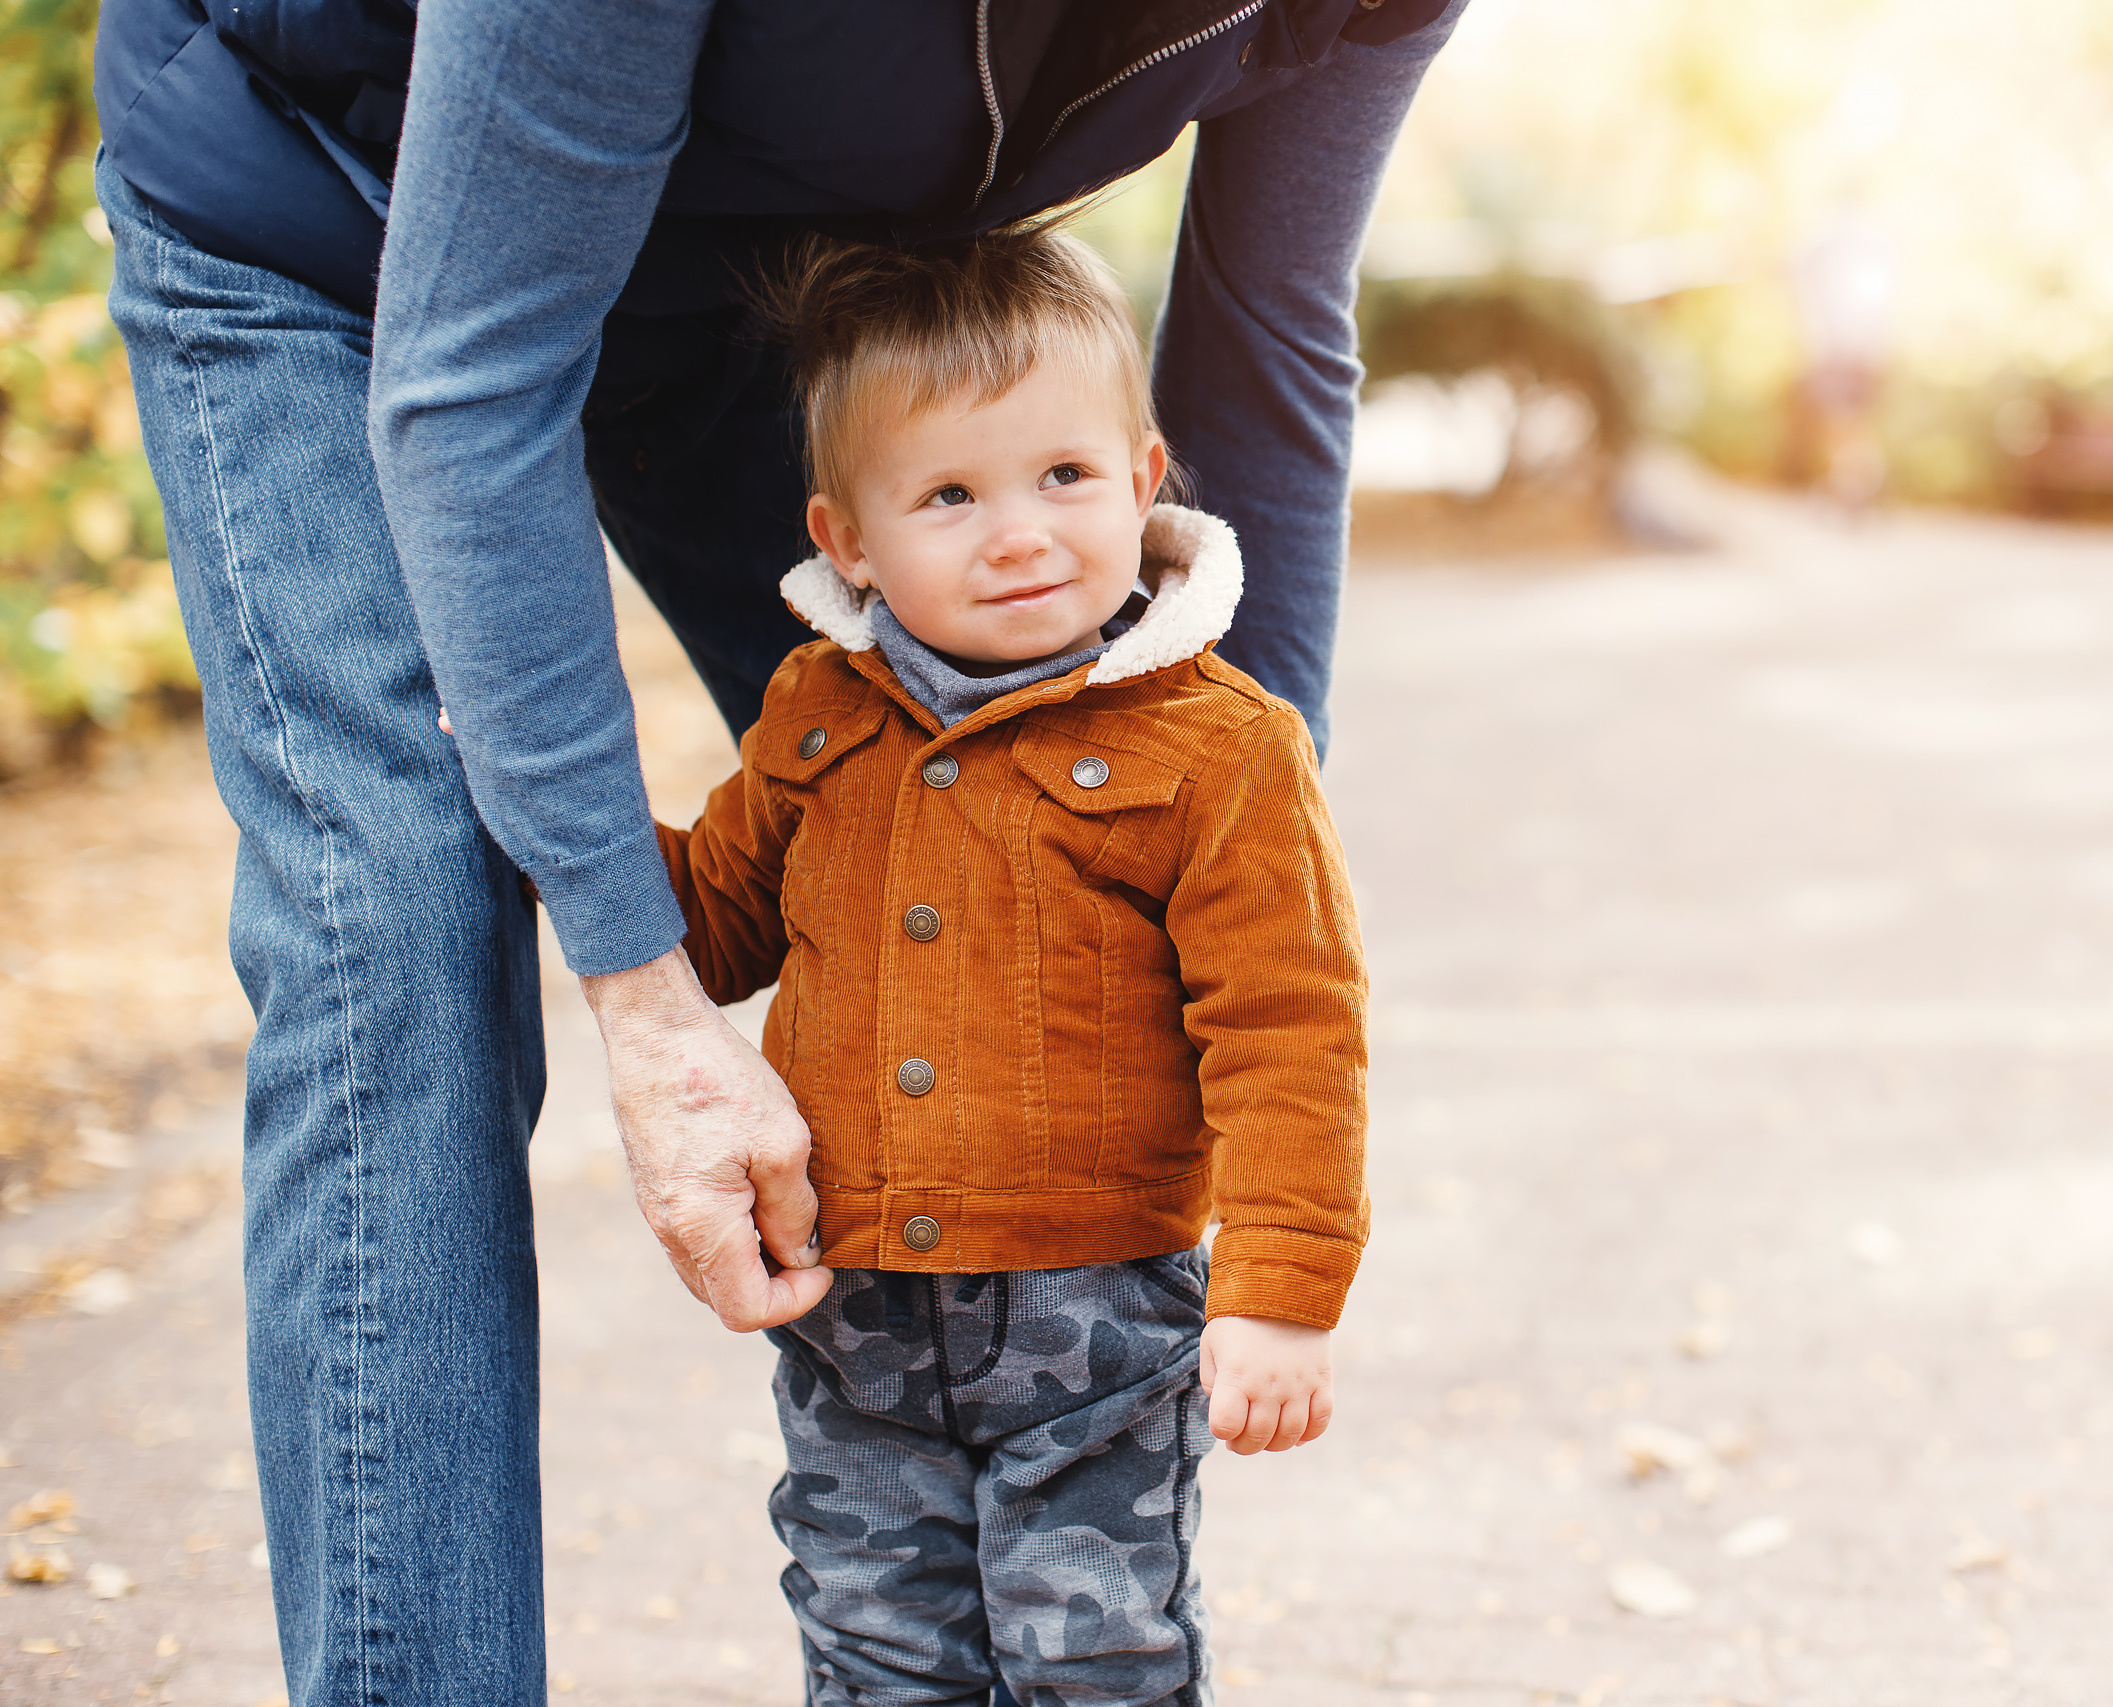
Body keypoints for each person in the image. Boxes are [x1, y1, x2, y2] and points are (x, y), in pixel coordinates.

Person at [90, 0, 1460, 1701]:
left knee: (990, 803)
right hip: (338, 227)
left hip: (786, 299)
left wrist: (1232, 825)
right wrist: (611, 932)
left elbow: (1271, 337)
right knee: (406, 906)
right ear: (847, 544)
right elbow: (475, 380)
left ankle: (1060, 1552)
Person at [655, 225, 1364, 1703]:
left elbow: (1293, 1030)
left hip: (1096, 1315)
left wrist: (1280, 1287)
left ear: (1144, 476)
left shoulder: (1220, 747)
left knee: (1092, 1650)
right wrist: (559, 809)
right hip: (855, 1314)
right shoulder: (816, 707)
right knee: (876, 1647)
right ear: (846, 539)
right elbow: (716, 923)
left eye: (1063, 477)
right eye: (950, 495)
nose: (1022, 531)